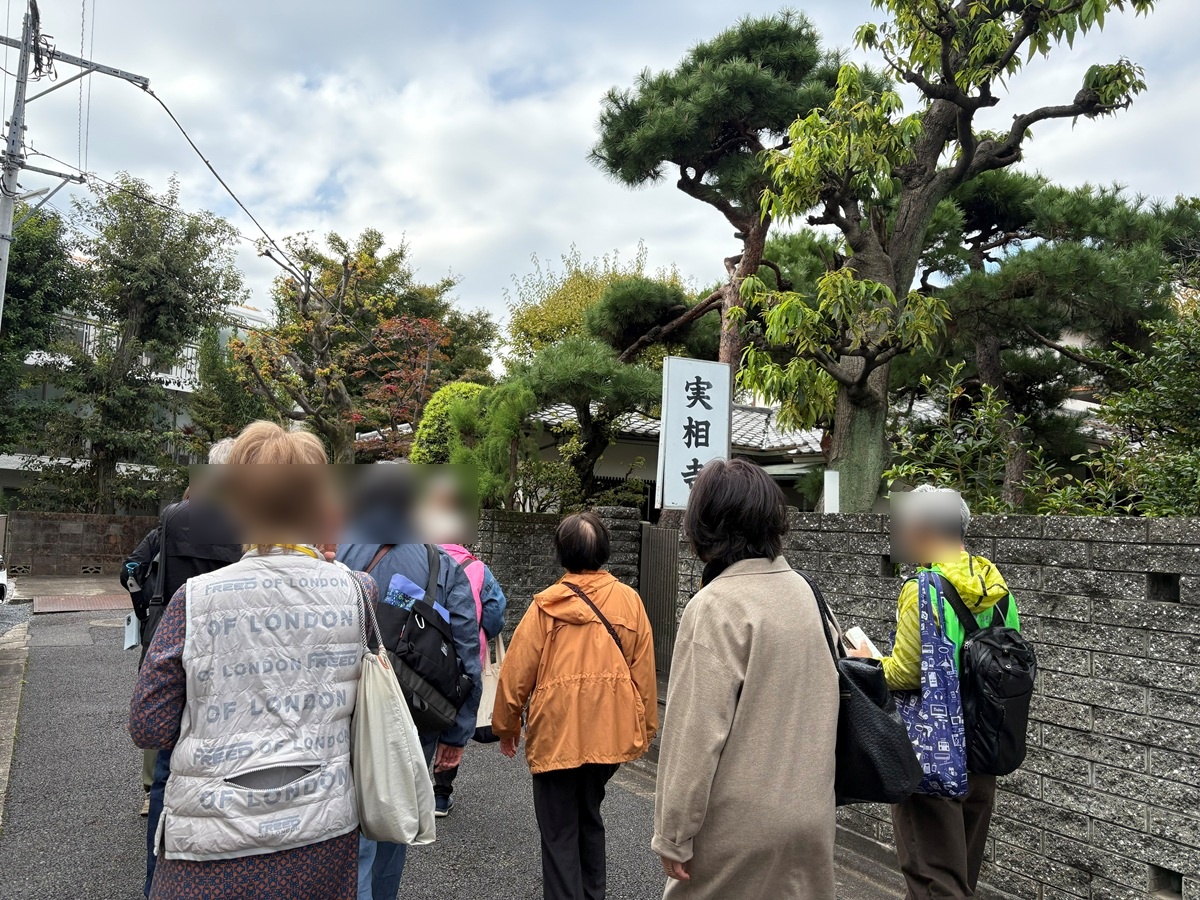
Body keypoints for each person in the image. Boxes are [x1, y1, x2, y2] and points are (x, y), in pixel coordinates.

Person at [130, 422, 371, 900]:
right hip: (321, 832)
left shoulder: (194, 599)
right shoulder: (359, 591)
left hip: (212, 840)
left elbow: (149, 726)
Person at [652, 458, 839, 899]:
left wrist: (673, 832)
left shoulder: (716, 606)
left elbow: (694, 735)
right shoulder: (809, 595)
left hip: (739, 826)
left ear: (704, 525)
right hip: (812, 816)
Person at [850, 485, 1020, 900]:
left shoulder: (922, 588)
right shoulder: (996, 587)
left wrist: (866, 661)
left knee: (933, 880)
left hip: (935, 755)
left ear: (922, 530)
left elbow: (907, 672)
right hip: (985, 749)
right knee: (960, 875)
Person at [494, 511, 657, 900]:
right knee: (589, 817)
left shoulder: (546, 606)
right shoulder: (630, 602)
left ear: (561, 554)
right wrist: (645, 729)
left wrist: (507, 726)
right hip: (609, 734)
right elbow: (645, 674)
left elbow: (516, 674)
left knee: (558, 829)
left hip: (557, 734)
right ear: (604, 551)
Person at [338, 479, 482, 900]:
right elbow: (465, 652)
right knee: (393, 823)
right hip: (412, 711)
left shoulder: (338, 550)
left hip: (343, 705)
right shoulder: (441, 564)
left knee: (346, 830)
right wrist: (457, 735)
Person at [139, 438, 243, 895]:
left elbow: (159, 581)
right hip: (230, 655)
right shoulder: (249, 522)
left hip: (178, 644)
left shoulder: (175, 516)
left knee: (169, 766)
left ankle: (156, 878)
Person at [418, 472, 508, 817]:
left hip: (424, 657)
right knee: (452, 720)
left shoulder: (419, 559)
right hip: (464, 661)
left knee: (422, 716)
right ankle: (442, 794)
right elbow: (496, 615)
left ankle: (415, 788)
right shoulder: (478, 569)